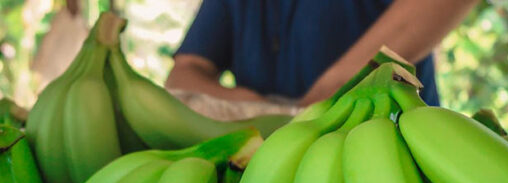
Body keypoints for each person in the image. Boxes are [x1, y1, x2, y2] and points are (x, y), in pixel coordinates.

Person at [166, 0, 479, 106]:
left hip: (394, 152)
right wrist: (256, 109)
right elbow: (186, 71)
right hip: (264, 163)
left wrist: (326, 95)